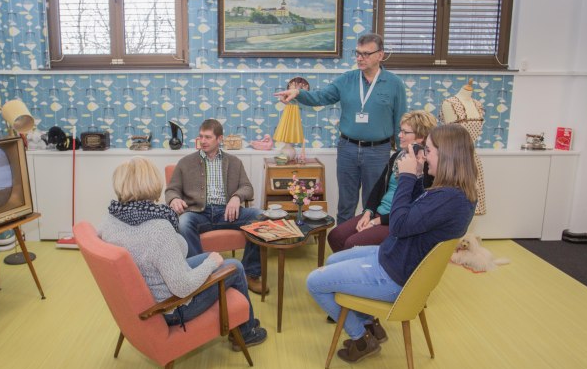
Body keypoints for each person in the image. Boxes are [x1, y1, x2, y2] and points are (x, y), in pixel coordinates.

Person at [306, 124, 477, 364]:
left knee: (314, 282)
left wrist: (406, 177)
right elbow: (417, 211)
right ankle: (368, 322)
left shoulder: (449, 199)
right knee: (333, 259)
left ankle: (361, 339)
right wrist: (418, 175)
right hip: (396, 258)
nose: (424, 156)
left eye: (428, 151)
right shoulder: (453, 192)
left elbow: (398, 225)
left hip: (395, 275)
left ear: (447, 156)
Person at [99, 157, 268, 350]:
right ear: (153, 184)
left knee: (214, 259)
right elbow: (182, 288)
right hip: (172, 306)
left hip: (146, 292)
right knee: (235, 267)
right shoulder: (158, 229)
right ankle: (246, 333)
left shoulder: (111, 218)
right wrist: (211, 264)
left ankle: (243, 321)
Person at [274, 33, 407, 224]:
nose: (360, 58)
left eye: (366, 54)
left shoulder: (395, 84)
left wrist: (403, 154)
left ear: (380, 55)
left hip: (378, 152)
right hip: (348, 149)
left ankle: (367, 240)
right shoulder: (346, 79)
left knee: (373, 205)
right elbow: (320, 97)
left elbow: (401, 121)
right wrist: (298, 93)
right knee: (345, 205)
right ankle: (342, 242)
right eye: (357, 53)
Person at [165, 119, 266, 294]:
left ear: (219, 139)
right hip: (198, 213)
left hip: (227, 213)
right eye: (201, 136)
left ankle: (251, 273)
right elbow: (171, 189)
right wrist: (174, 199)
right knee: (183, 223)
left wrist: (236, 197)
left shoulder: (234, 162)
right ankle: (200, 274)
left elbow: (247, 187)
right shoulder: (185, 163)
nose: (202, 141)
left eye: (208, 137)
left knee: (260, 216)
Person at [327, 110, 437, 253]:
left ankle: (366, 266)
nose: (399, 135)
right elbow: (378, 188)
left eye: (405, 132)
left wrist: (377, 221)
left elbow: (414, 210)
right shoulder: (397, 156)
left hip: (395, 221)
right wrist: (368, 213)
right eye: (400, 131)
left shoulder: (427, 167)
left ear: (421, 137)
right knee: (335, 236)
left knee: (351, 243)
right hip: (378, 213)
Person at [439, 79, 487, 215]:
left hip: (472, 157)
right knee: (455, 201)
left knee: (472, 200)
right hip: (453, 158)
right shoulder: (449, 104)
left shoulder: (478, 105)